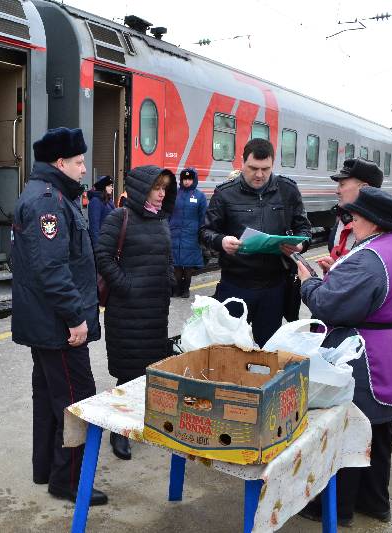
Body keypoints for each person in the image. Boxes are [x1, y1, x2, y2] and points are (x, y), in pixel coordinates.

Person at [296, 187, 392, 527]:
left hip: (367, 357)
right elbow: (369, 290)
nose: (350, 220)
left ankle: (335, 509)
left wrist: (309, 282)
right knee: (381, 433)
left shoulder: (370, 258)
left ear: (370, 220)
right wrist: (339, 273)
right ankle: (375, 502)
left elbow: (329, 306)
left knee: (350, 431)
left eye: (354, 216)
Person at [10, 127, 107, 506]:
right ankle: (68, 480)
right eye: (80, 162)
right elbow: (52, 270)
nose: (85, 169)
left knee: (49, 395)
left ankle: (45, 468)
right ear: (60, 163)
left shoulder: (44, 196)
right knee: (77, 399)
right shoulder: (49, 203)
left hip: (44, 323)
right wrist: (75, 317)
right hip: (58, 326)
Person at [95, 166, 177, 460]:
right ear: (143, 189)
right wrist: (127, 286)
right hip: (127, 313)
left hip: (155, 311)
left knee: (149, 370)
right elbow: (102, 256)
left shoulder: (161, 220)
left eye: (165, 188)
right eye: (157, 188)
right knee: (128, 375)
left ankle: (141, 423)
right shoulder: (120, 217)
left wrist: (168, 278)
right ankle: (119, 432)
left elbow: (167, 256)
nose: (161, 194)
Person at [199, 138, 312, 346]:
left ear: (272, 165)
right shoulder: (225, 193)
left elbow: (304, 229)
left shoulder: (288, 190)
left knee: (268, 347)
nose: (259, 175)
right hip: (235, 284)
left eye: (265, 169)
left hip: (274, 287)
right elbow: (205, 231)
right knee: (227, 346)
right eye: (253, 168)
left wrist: (300, 246)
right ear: (242, 163)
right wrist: (221, 241)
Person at [319, 158, 392, 278]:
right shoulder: (344, 217)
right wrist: (335, 268)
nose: (337, 191)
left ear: (364, 188)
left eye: (342, 185)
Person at [169, 167, 207, 298]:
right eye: (184, 179)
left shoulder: (200, 196)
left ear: (194, 179)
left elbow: (203, 217)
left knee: (188, 265)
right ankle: (177, 288)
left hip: (191, 235)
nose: (186, 181)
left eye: (189, 179)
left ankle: (186, 289)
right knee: (176, 264)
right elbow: (168, 213)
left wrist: (202, 234)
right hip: (174, 233)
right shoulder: (174, 194)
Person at [86, 175, 115, 247]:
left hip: (109, 241)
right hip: (102, 243)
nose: (112, 188)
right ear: (103, 187)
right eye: (109, 186)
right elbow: (94, 227)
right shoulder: (95, 201)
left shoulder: (108, 200)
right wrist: (97, 247)